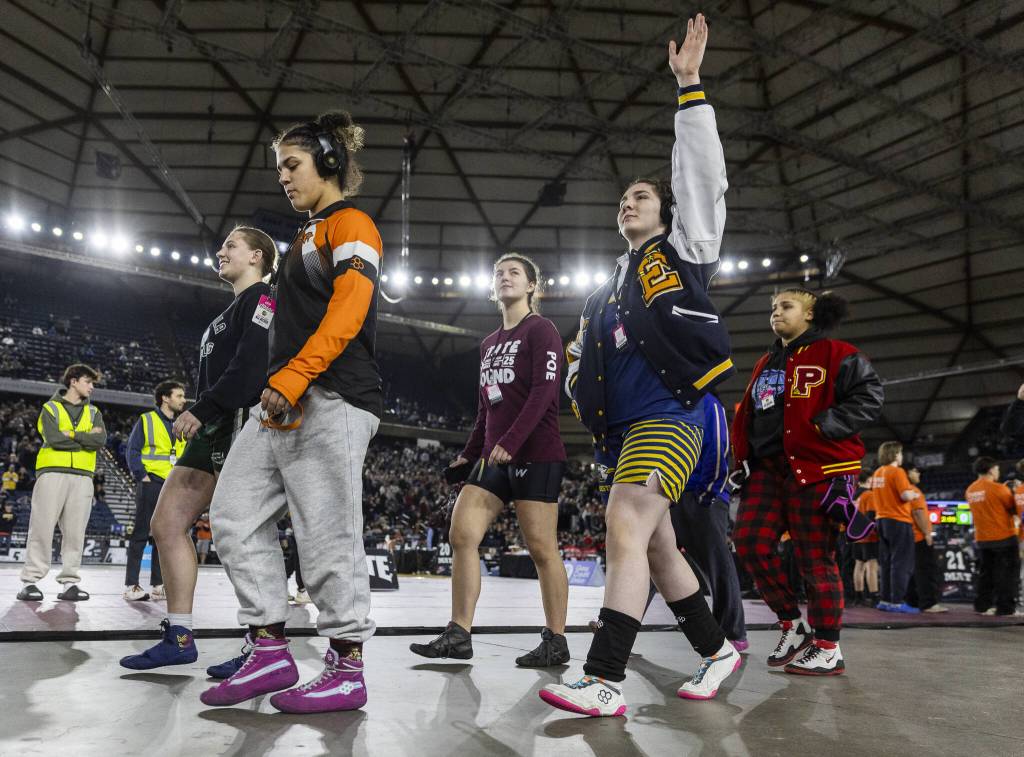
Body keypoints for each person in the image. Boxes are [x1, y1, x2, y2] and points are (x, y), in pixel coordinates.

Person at [540, 16, 742, 718]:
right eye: (622, 197)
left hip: (674, 413)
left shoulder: (681, 251)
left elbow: (703, 179)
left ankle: (602, 677)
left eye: (642, 196)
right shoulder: (608, 289)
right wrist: (569, 378)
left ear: (666, 212)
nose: (628, 201)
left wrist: (689, 88)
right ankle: (717, 651)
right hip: (625, 429)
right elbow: (572, 359)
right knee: (657, 550)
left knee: (624, 521)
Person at [200, 108, 382, 714]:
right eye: (279, 167)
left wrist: (300, 374)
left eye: (292, 165)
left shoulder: (351, 223)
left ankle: (347, 665)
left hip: (333, 396)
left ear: (328, 162)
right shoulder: (302, 235)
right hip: (281, 401)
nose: (283, 177)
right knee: (230, 515)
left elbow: (350, 309)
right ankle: (270, 648)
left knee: (327, 535)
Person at [118, 226, 274, 671]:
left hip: (239, 424)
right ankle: (180, 635)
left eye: (231, 246)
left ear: (258, 256)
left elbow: (251, 368)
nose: (221, 251)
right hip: (213, 428)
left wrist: (202, 409)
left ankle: (261, 644)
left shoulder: (263, 299)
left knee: (240, 533)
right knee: (166, 523)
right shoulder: (231, 308)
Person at [410, 254, 569, 668]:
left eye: (515, 272)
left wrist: (512, 441)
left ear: (533, 286)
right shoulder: (489, 343)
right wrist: (469, 451)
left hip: (536, 453)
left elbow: (543, 395)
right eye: (499, 273)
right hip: (494, 456)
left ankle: (556, 639)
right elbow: (485, 409)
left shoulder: (542, 331)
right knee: (462, 534)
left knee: (541, 549)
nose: (505, 277)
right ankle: (459, 633)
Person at [732, 287, 883, 677]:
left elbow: (870, 394)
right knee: (749, 543)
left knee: (816, 558)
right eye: (773, 308)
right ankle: (791, 623)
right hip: (766, 469)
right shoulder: (765, 362)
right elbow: (751, 412)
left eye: (786, 307)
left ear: (811, 315)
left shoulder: (837, 353)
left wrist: (823, 426)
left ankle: (828, 646)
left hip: (818, 468)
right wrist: (740, 458)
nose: (775, 314)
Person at [17, 364, 107, 601]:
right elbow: (54, 439)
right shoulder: (51, 408)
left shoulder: (94, 412)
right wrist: (83, 438)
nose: (92, 387)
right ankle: (30, 582)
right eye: (89, 381)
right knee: (41, 527)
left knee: (76, 532)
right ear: (74, 381)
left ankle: (69, 583)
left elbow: (99, 440)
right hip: (52, 473)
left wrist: (72, 435)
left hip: (83, 477)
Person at [122, 380, 187, 601]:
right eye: (179, 395)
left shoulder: (181, 423)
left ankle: (158, 584)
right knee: (141, 533)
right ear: (165, 398)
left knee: (165, 536)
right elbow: (132, 450)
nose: (183, 399)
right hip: (152, 482)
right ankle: (132, 585)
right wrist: (142, 476)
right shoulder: (146, 420)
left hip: (173, 486)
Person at [965, 458, 1021, 616]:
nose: (998, 472)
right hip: (1004, 537)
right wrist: (1015, 492)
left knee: (986, 573)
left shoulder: (969, 490)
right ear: (990, 469)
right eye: (997, 469)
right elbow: (1014, 509)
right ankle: (1005, 608)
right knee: (1007, 575)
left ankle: (982, 605)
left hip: (983, 539)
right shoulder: (998, 489)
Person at [871, 442, 920, 613]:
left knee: (886, 562)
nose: (901, 457)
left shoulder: (877, 473)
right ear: (894, 454)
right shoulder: (897, 472)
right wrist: (915, 494)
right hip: (898, 520)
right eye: (900, 453)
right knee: (901, 562)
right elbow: (905, 495)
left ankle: (885, 600)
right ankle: (898, 601)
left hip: (882, 520)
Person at [906, 465, 946, 613]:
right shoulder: (914, 491)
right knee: (926, 570)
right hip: (918, 536)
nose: (919, 474)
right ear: (908, 473)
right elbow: (918, 513)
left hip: (907, 537)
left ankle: (913, 601)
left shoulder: (901, 491)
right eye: (915, 471)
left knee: (912, 571)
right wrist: (927, 533)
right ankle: (929, 603)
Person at [851, 471, 880, 606]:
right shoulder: (869, 494)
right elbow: (870, 516)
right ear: (869, 480)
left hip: (855, 535)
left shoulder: (853, 495)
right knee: (872, 565)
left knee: (859, 565)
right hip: (868, 536)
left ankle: (859, 596)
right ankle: (874, 596)